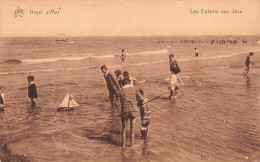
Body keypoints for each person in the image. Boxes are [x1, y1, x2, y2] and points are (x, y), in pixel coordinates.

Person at [119, 77, 144, 147]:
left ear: (122, 84)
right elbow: (142, 99)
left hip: (125, 111)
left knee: (124, 128)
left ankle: (123, 146)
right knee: (132, 128)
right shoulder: (134, 89)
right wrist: (137, 104)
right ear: (129, 83)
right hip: (134, 110)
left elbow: (117, 103)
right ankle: (131, 146)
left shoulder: (120, 91)